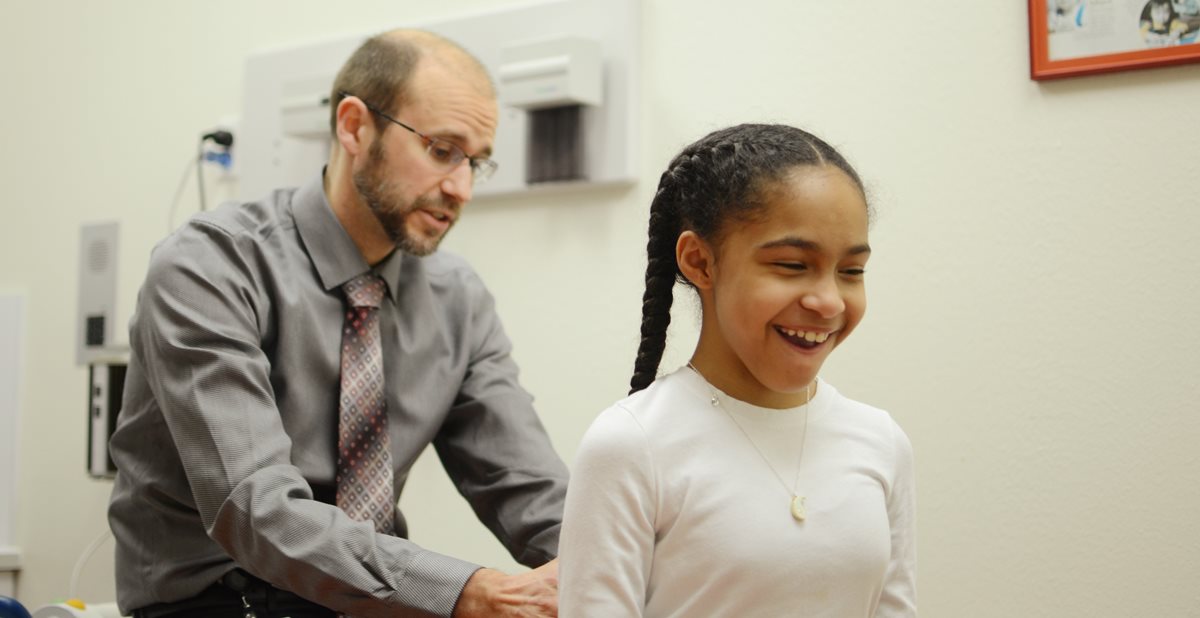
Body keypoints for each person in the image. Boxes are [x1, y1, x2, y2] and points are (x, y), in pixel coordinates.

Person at [108, 29, 568, 618]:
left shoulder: (459, 300)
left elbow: (526, 486)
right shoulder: (209, 266)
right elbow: (255, 511)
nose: (461, 188)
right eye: (442, 150)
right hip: (222, 601)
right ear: (354, 127)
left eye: (476, 162)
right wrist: (467, 590)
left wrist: (613, 564)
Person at [557, 124, 917, 616]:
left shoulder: (881, 440)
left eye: (851, 271)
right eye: (792, 265)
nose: (829, 301)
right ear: (700, 262)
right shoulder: (631, 445)